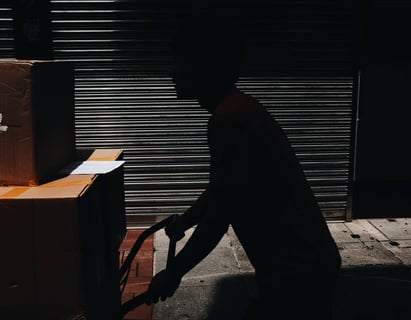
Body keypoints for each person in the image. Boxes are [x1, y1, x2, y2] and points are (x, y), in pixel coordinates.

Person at [145, 13, 342, 320]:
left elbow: (221, 214)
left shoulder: (229, 121)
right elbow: (221, 190)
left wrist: (175, 272)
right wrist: (185, 221)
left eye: (178, 62)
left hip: (296, 268)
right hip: (303, 265)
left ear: (201, 67)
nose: (172, 72)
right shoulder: (237, 110)